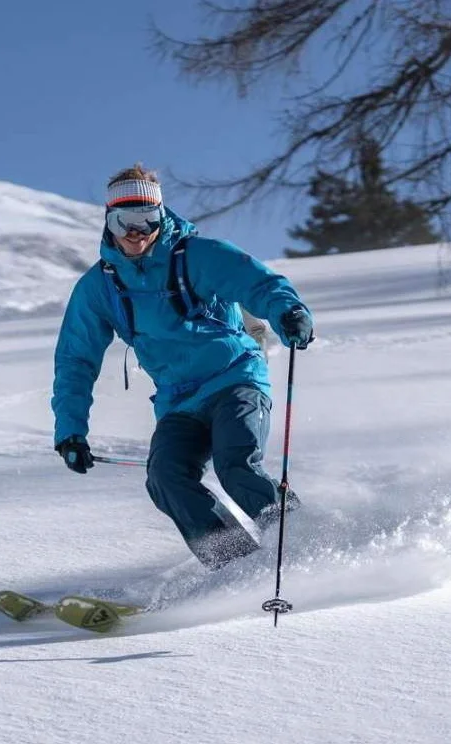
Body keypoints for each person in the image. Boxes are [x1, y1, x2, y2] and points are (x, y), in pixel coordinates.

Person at [51, 164, 315, 570]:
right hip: (179, 402)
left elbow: (257, 283)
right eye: (125, 221)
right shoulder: (98, 287)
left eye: (147, 220)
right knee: (166, 479)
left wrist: (289, 311)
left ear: (162, 215)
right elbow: (75, 359)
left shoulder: (197, 255)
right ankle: (235, 565)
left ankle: (306, 547)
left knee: (236, 465)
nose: (136, 233)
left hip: (235, 380)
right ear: (109, 222)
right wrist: (70, 430)